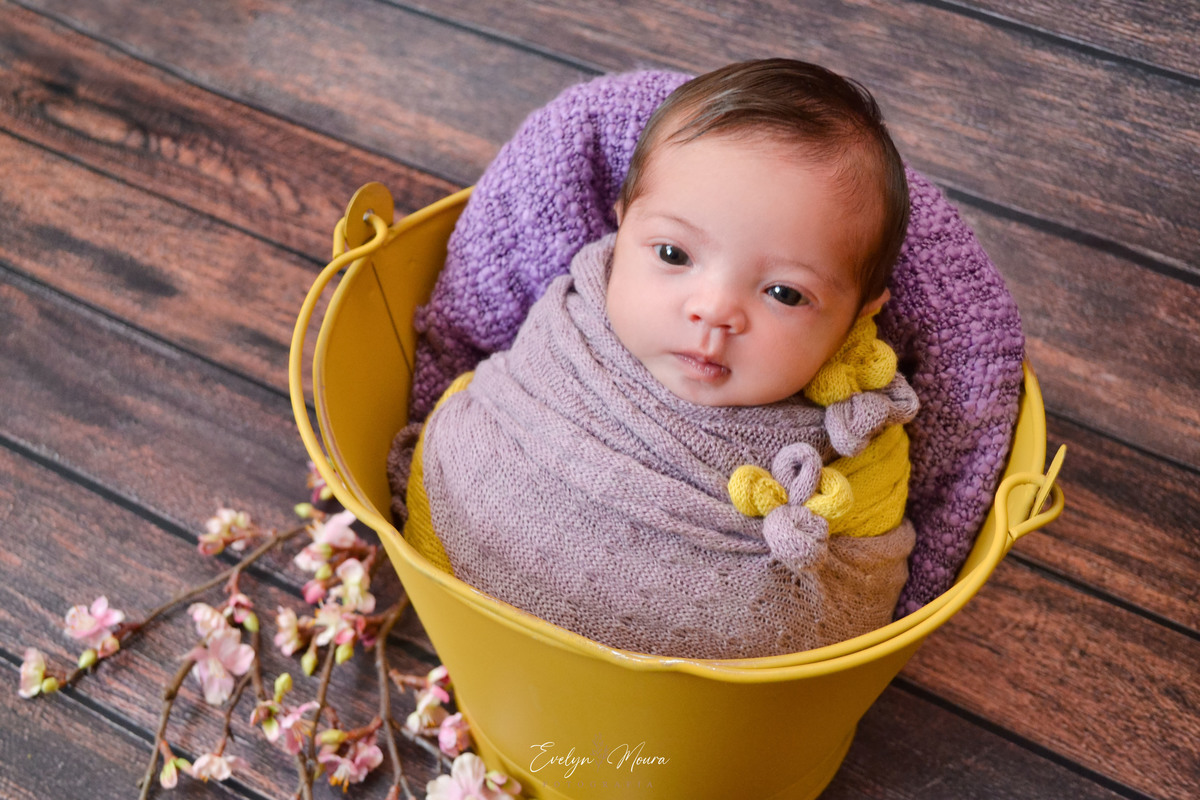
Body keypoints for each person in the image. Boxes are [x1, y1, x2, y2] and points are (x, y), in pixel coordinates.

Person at [390, 59, 920, 659]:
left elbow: (864, 579)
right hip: (474, 628)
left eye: (785, 293)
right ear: (621, 228)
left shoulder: (860, 429)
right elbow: (490, 414)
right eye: (673, 253)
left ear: (858, 313)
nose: (714, 311)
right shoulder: (572, 323)